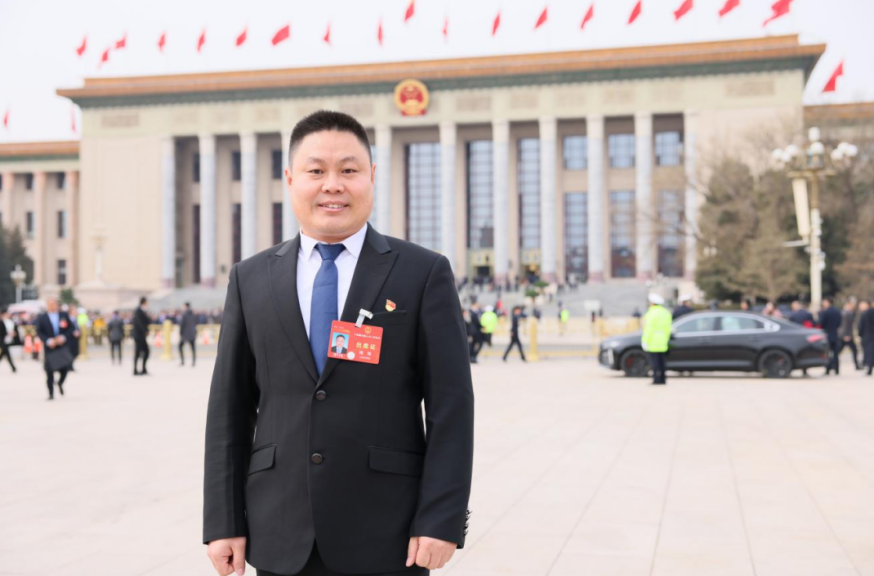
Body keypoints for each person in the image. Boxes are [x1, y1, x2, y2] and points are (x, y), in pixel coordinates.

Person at [204, 110, 474, 576]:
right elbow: (229, 409)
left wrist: (441, 518)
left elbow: (451, 406)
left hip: (389, 534)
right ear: (291, 179)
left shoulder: (422, 272)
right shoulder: (251, 279)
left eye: (349, 170)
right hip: (279, 532)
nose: (333, 185)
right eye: (316, 171)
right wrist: (223, 520)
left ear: (371, 176)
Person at [35, 298, 78, 400]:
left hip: (62, 346)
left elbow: (71, 328)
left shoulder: (63, 315)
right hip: (50, 347)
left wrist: (63, 337)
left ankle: (60, 383)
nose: (52, 306)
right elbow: (39, 332)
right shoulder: (42, 317)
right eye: (50, 304)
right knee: (49, 371)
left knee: (65, 368)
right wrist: (48, 341)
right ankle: (51, 393)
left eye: (53, 304)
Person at [642, 293, 672, 385]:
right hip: (663, 340)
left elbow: (648, 329)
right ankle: (663, 379)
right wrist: (666, 339)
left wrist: (645, 341)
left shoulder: (651, 313)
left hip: (653, 341)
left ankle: (656, 379)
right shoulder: (666, 313)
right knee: (662, 361)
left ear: (652, 303)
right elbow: (668, 328)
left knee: (654, 362)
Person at [818, 298, 843, 375]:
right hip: (835, 334)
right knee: (835, 353)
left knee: (827, 353)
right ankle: (836, 369)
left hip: (827, 334)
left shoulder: (825, 312)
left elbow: (821, 323)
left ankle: (828, 369)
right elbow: (839, 322)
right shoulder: (837, 311)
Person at [838, 300, 861, 370]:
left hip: (847, 335)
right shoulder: (845, 313)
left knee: (854, 350)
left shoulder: (848, 313)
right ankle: (831, 365)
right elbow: (845, 325)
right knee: (838, 351)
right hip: (846, 335)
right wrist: (846, 335)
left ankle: (857, 365)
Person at [132, 297, 152, 376]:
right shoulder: (138, 311)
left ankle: (143, 369)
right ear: (144, 302)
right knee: (138, 353)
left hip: (141, 336)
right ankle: (135, 370)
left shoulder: (143, 311)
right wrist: (145, 331)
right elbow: (139, 323)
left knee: (146, 352)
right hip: (139, 335)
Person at [179, 302, 198, 367]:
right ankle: (193, 362)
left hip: (185, 334)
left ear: (185, 306)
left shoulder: (184, 314)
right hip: (192, 333)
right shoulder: (193, 314)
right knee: (193, 348)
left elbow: (182, 325)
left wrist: (180, 333)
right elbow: (196, 323)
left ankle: (182, 361)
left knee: (180, 346)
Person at [858, 300, 874, 376]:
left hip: (867, 336)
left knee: (869, 352)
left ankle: (869, 367)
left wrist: (860, 334)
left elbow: (861, 326)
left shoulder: (865, 313)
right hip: (869, 336)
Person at [0, 307, 17, 373]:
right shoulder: (1, 321)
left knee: (4, 353)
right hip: (1, 340)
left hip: (6, 340)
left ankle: (13, 367)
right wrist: (8, 333)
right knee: (7, 353)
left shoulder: (9, 321)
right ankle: (13, 367)